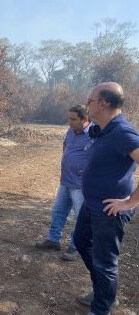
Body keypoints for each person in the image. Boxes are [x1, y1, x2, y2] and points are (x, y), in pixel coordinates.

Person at [73, 82, 139, 315]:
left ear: (103, 103)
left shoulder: (122, 132)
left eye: (90, 101)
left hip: (109, 211)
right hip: (93, 204)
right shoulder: (102, 129)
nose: (87, 105)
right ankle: (104, 291)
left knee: (105, 262)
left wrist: (130, 201)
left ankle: (101, 308)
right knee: (81, 241)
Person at [35, 105, 92, 261]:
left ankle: (76, 246)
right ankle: (53, 240)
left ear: (84, 119)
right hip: (65, 181)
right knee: (58, 211)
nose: (70, 122)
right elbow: (66, 145)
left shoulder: (94, 135)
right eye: (69, 118)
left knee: (79, 217)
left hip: (80, 185)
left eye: (73, 119)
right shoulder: (71, 131)